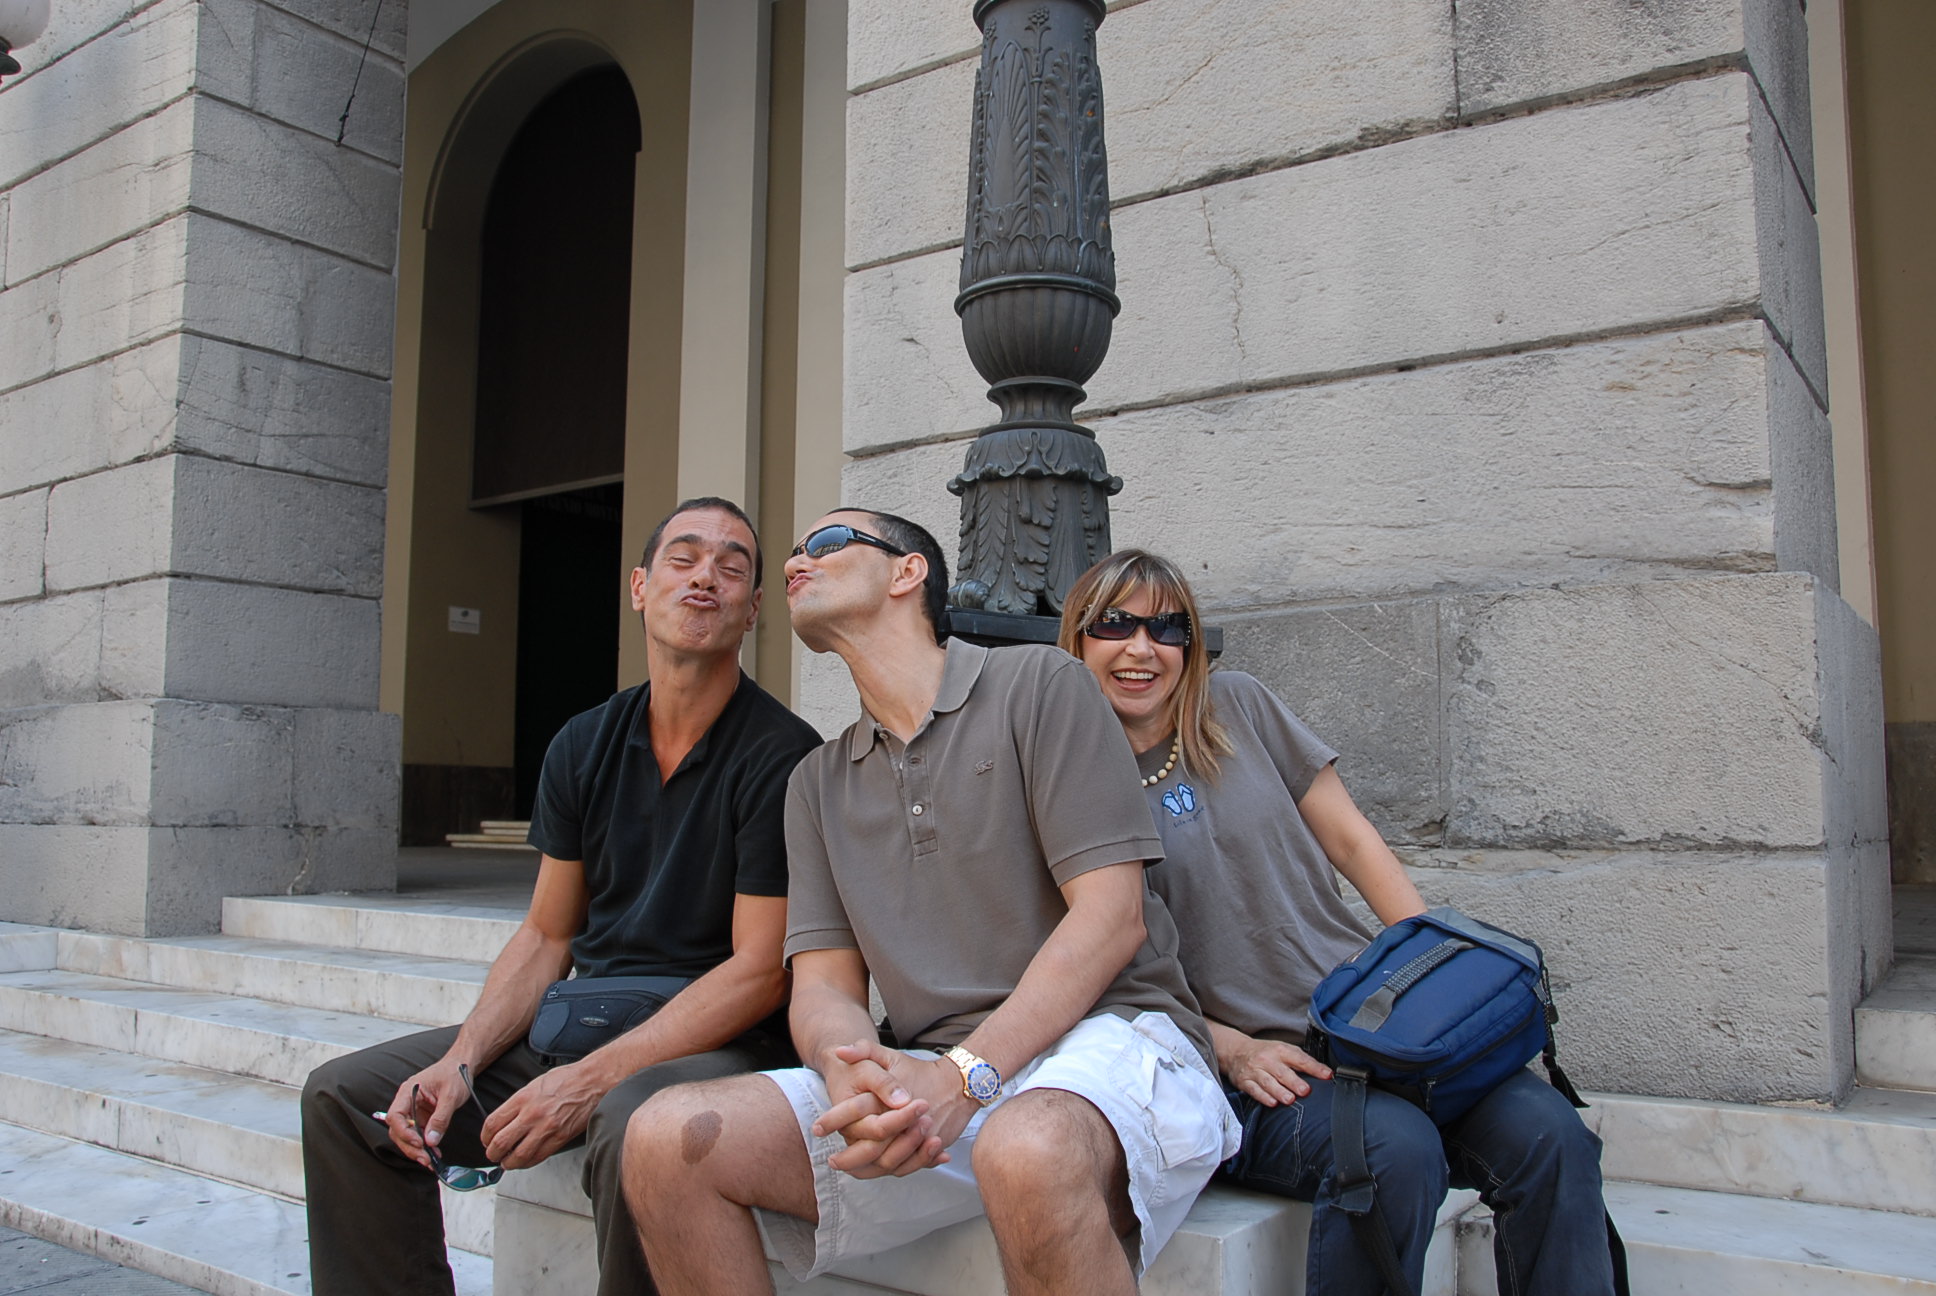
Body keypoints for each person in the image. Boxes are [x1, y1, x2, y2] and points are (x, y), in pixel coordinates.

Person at [621, 510, 1239, 1296]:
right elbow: (823, 987)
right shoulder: (815, 784)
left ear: (908, 572)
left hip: (1116, 1039)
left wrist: (965, 1078)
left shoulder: (1039, 684)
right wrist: (852, 1075)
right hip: (937, 1077)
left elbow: (1112, 916)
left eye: (825, 543)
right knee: (666, 1136)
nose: (793, 564)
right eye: (790, 553)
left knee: (1027, 1147)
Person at [1058, 548, 1616, 1296]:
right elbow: (1086, 961)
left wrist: (1432, 978)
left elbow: (1352, 841)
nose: (1141, 647)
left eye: (1167, 627)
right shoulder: (1062, 783)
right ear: (1076, 639)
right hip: (1243, 1063)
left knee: (1553, 1137)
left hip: (1372, 1024)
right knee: (1392, 1155)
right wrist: (1229, 1049)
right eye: (1115, 624)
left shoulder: (1242, 708)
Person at [301, 498, 823, 1296]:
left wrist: (591, 1079)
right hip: (593, 1015)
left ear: (754, 610)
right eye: (683, 560)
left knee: (633, 1124)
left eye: (731, 566)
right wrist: (461, 1060)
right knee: (349, 1100)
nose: (705, 579)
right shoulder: (584, 742)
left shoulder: (783, 755)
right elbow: (548, 937)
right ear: (640, 587)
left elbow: (761, 972)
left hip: (722, 1039)